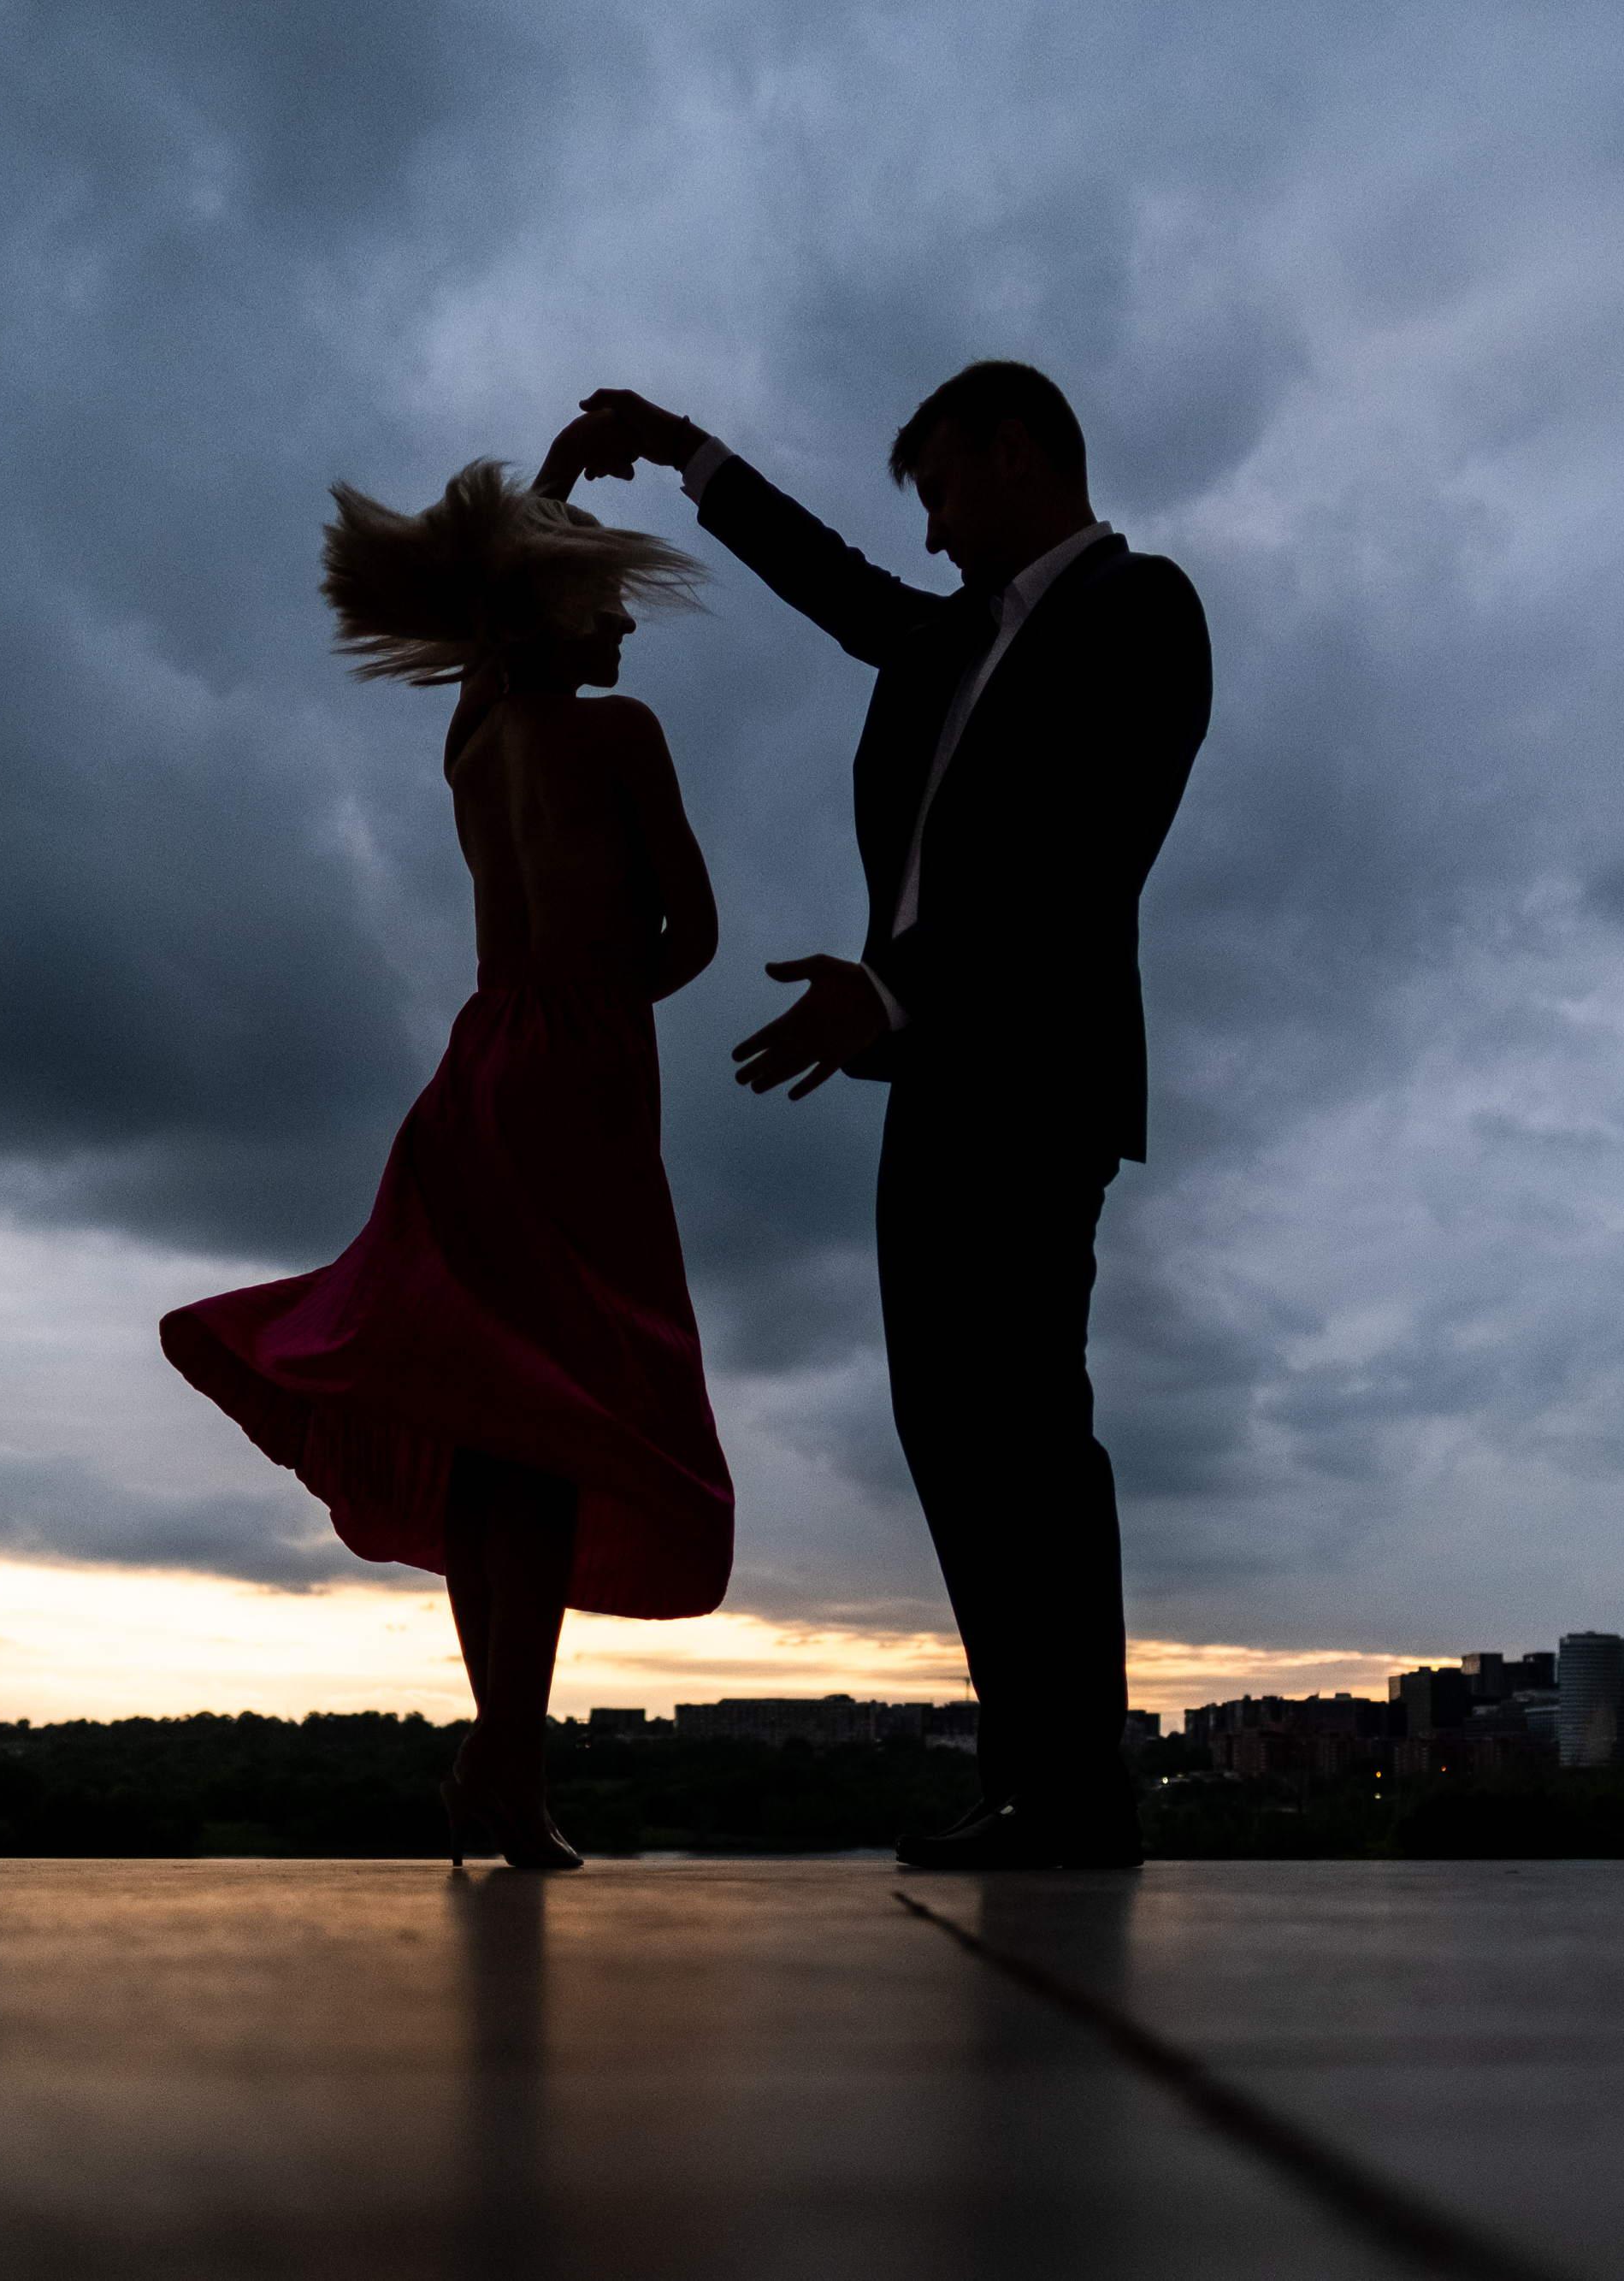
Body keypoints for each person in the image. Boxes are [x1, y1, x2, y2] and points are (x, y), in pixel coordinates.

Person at [540, 362, 1211, 1869]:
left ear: (1021, 452)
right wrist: (684, 452)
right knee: (948, 1425)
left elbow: (1087, 854)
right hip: (927, 1071)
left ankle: (1078, 1794)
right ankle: (1035, 1776)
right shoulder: (951, 636)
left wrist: (898, 998)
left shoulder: (1142, 610)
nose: (928, 537)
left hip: (1033, 1069)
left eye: (945, 492)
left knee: (1029, 1424)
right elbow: (837, 585)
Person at [160, 461, 733, 1870]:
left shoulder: (473, 744)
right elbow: (695, 937)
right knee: (553, 1418)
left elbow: (491, 632)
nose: (630, 630)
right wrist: (602, 1008)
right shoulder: (625, 736)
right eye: (607, 598)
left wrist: (549, 482)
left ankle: (505, 1764)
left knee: (501, 1426)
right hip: (583, 1076)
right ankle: (508, 1767)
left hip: (479, 1067)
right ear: (549, 606)